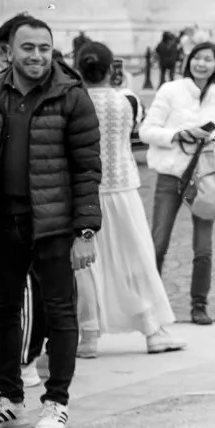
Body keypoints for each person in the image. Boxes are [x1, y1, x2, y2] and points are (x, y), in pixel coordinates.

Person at [0, 14, 100, 428]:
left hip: (54, 225)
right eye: (28, 48)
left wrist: (85, 231)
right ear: (8, 52)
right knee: (3, 312)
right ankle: (9, 400)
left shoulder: (72, 97)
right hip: (2, 224)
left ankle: (57, 402)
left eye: (44, 48)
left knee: (61, 311)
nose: (37, 56)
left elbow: (88, 170)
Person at [74, 41, 179, 355]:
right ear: (111, 70)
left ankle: (89, 335)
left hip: (86, 190)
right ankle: (152, 329)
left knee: (86, 267)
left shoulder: (74, 100)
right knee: (136, 260)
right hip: (123, 187)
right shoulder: (129, 99)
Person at [140, 38, 215, 326]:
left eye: (208, 59)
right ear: (188, 60)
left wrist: (212, 138)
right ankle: (151, 304)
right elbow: (146, 131)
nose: (201, 63)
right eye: (197, 57)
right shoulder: (170, 90)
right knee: (158, 242)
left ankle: (199, 305)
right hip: (171, 175)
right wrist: (180, 134)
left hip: (205, 177)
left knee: (203, 248)